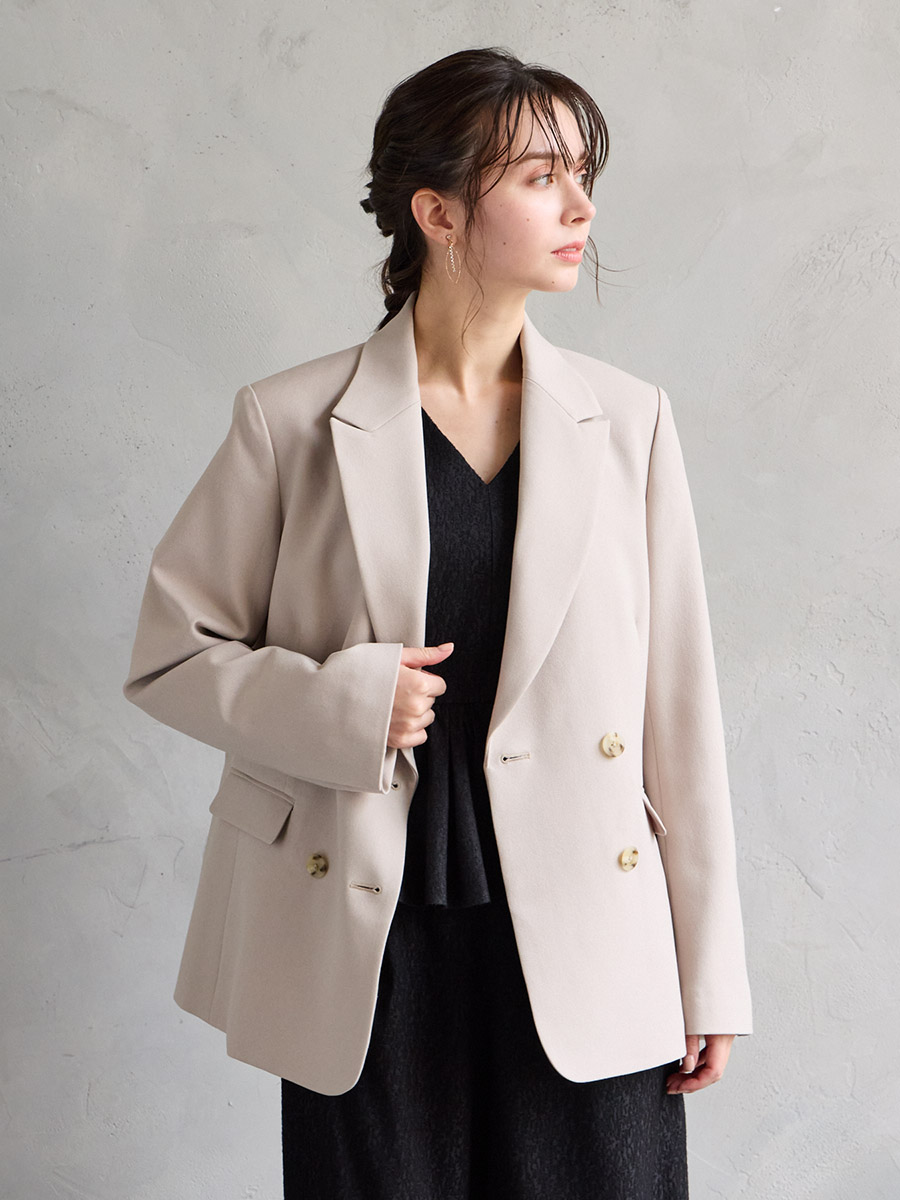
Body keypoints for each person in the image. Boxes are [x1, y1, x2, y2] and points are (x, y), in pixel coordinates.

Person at [123, 45, 753, 1200]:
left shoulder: (628, 422)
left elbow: (681, 712)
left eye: (583, 175)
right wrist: (342, 705)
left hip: (591, 930)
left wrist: (711, 974)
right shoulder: (291, 422)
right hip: (368, 939)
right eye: (541, 178)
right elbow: (171, 653)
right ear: (439, 211)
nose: (581, 207)